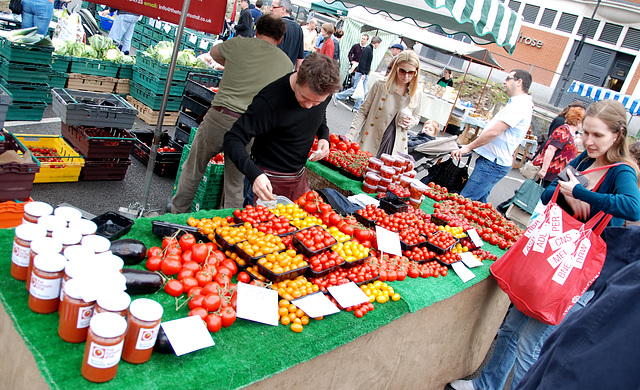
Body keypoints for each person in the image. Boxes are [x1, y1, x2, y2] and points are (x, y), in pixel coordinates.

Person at [450, 99, 640, 390]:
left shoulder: (620, 171)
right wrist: (568, 192)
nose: (588, 141)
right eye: (586, 132)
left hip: (575, 268)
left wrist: (579, 193)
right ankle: (487, 384)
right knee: (512, 326)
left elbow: (632, 207)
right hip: (551, 256)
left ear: (618, 134)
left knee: (531, 343)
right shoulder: (584, 161)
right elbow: (547, 193)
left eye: (598, 135)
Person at [171, 15, 292, 213]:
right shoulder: (286, 63)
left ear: (256, 31)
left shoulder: (237, 44)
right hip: (248, 128)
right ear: (280, 39)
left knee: (193, 169)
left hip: (218, 117)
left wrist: (235, 65)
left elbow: (213, 53)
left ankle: (176, 213)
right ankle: (229, 228)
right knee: (235, 184)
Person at [223, 53, 341, 204]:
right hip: (267, 179)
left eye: (316, 102)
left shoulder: (324, 92)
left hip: (298, 176)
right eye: (304, 98)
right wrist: (254, 174)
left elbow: (320, 114)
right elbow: (232, 139)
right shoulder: (269, 101)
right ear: (298, 75)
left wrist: (323, 136)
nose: (308, 106)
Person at [451, 69, 534, 203]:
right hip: (492, 162)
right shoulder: (518, 103)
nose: (504, 81)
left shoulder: (520, 105)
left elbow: (494, 132)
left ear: (519, 82)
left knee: (464, 202)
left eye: (508, 78)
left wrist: (468, 147)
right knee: (478, 205)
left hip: (493, 163)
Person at [344, 51, 421, 157]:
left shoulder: (416, 92)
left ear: (416, 72)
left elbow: (417, 116)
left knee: (386, 172)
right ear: (396, 68)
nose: (406, 76)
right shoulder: (381, 85)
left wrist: (411, 122)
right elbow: (363, 111)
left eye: (411, 72)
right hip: (372, 136)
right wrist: (351, 134)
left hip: (395, 142)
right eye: (402, 71)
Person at [532, 106, 585, 187]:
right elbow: (551, 150)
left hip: (557, 173)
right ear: (578, 121)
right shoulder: (563, 131)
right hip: (550, 172)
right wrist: (544, 170)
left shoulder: (571, 133)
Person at [334, 36, 382, 111]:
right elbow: (363, 62)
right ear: (376, 43)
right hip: (361, 73)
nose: (378, 46)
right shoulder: (368, 49)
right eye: (378, 44)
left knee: (361, 90)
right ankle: (338, 96)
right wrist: (363, 73)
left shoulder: (368, 49)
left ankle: (356, 107)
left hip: (362, 72)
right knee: (356, 89)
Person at [272, 0, 304, 70]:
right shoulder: (299, 28)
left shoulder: (278, 25)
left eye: (274, 7)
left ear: (283, 9)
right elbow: (300, 57)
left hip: (275, 69)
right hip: (288, 72)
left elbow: (275, 51)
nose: (271, 9)